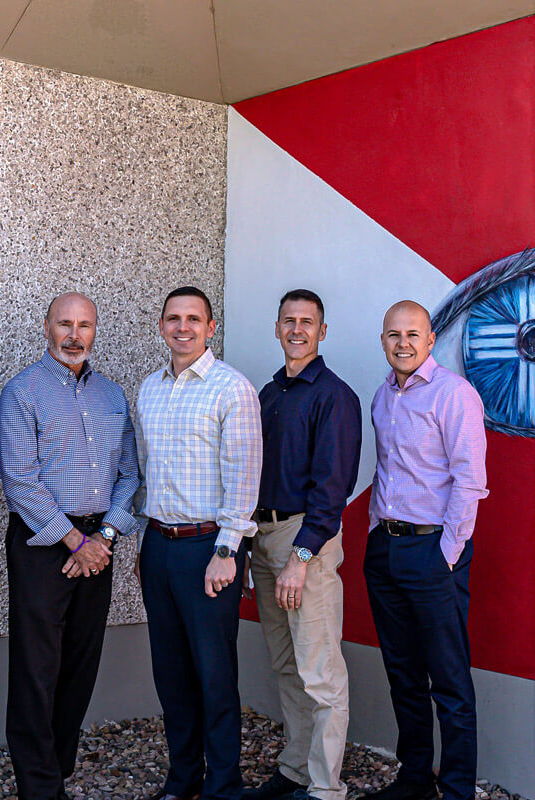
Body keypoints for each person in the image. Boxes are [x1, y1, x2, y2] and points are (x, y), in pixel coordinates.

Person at [0, 292, 141, 800]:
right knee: (37, 668)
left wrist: (103, 537)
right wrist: (76, 541)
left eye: (84, 325)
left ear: (95, 329)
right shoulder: (22, 392)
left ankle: (59, 770)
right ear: (47, 326)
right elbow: (20, 481)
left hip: (99, 543)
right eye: (65, 324)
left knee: (81, 660)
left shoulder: (112, 395)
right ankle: (38, 787)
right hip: (43, 545)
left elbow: (129, 474)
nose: (74, 335)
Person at [135, 286, 263, 800]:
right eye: (173, 318)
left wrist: (228, 550)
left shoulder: (231, 389)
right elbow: (146, 471)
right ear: (162, 325)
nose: (182, 327)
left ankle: (223, 787)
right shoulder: (149, 388)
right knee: (171, 674)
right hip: (159, 546)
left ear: (211, 328)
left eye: (194, 319)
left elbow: (244, 476)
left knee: (214, 675)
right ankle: (183, 778)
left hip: (209, 548)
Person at [360, 301, 487, 800]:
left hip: (434, 552)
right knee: (403, 673)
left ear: (431, 340)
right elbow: (387, 472)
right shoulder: (382, 397)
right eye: (394, 334)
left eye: (413, 334)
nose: (403, 343)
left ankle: (455, 789)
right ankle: (414, 779)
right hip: (386, 551)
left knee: (449, 680)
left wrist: (448, 554)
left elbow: (470, 481)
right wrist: (375, 533)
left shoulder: (454, 395)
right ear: (384, 340)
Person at [243, 290, 360, 800]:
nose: (297, 330)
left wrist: (301, 557)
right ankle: (295, 768)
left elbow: (333, 489)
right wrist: (247, 549)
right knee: (287, 664)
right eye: (289, 321)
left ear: (322, 331)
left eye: (307, 322)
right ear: (276, 328)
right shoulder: (269, 395)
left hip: (304, 538)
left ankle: (325, 786)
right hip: (264, 538)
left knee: (320, 668)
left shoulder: (334, 396)